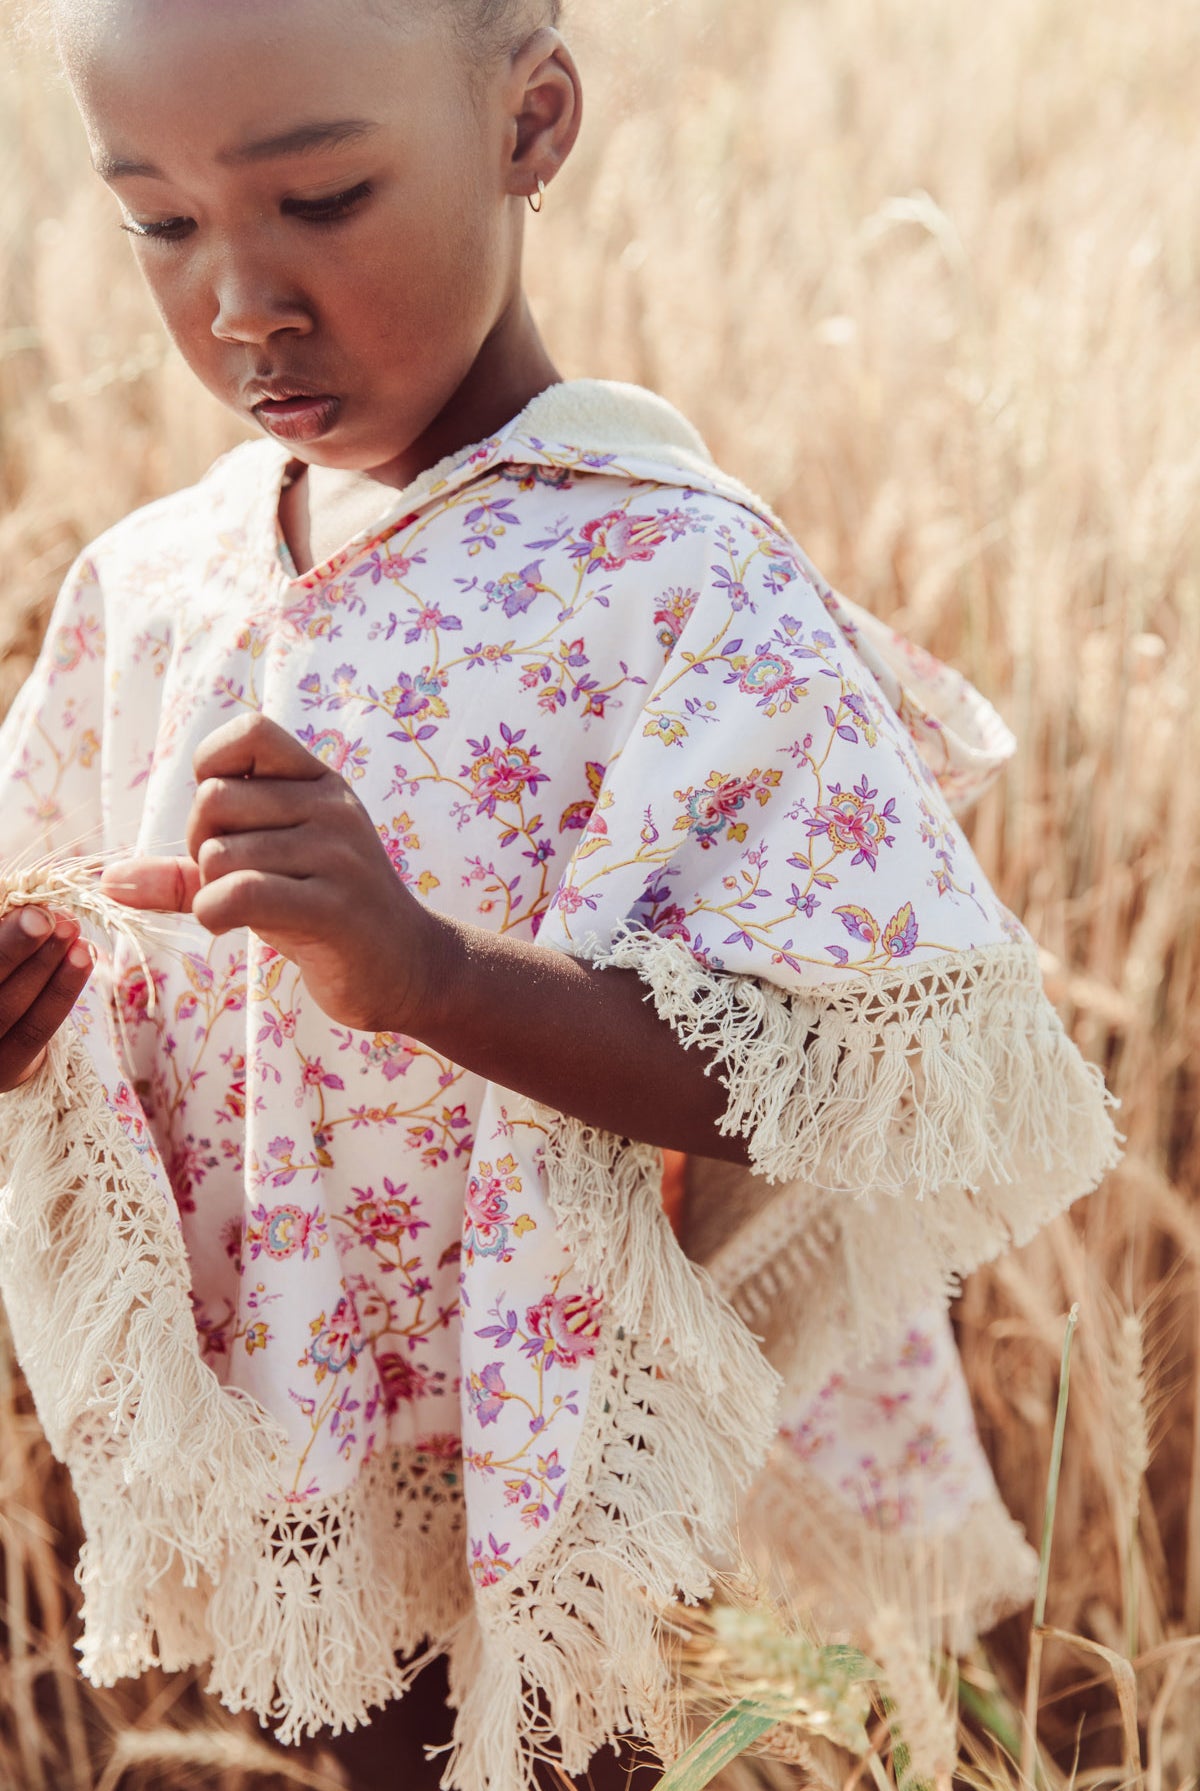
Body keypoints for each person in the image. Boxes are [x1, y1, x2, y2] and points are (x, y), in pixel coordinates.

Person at [0, 3, 1120, 1788]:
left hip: (574, 1423)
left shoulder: (670, 574)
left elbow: (840, 1077)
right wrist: (31, 1010)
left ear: (533, 123)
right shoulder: (151, 586)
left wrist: (432, 973)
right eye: (160, 219)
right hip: (305, 1399)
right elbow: (92, 966)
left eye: (325, 196)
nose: (239, 298)